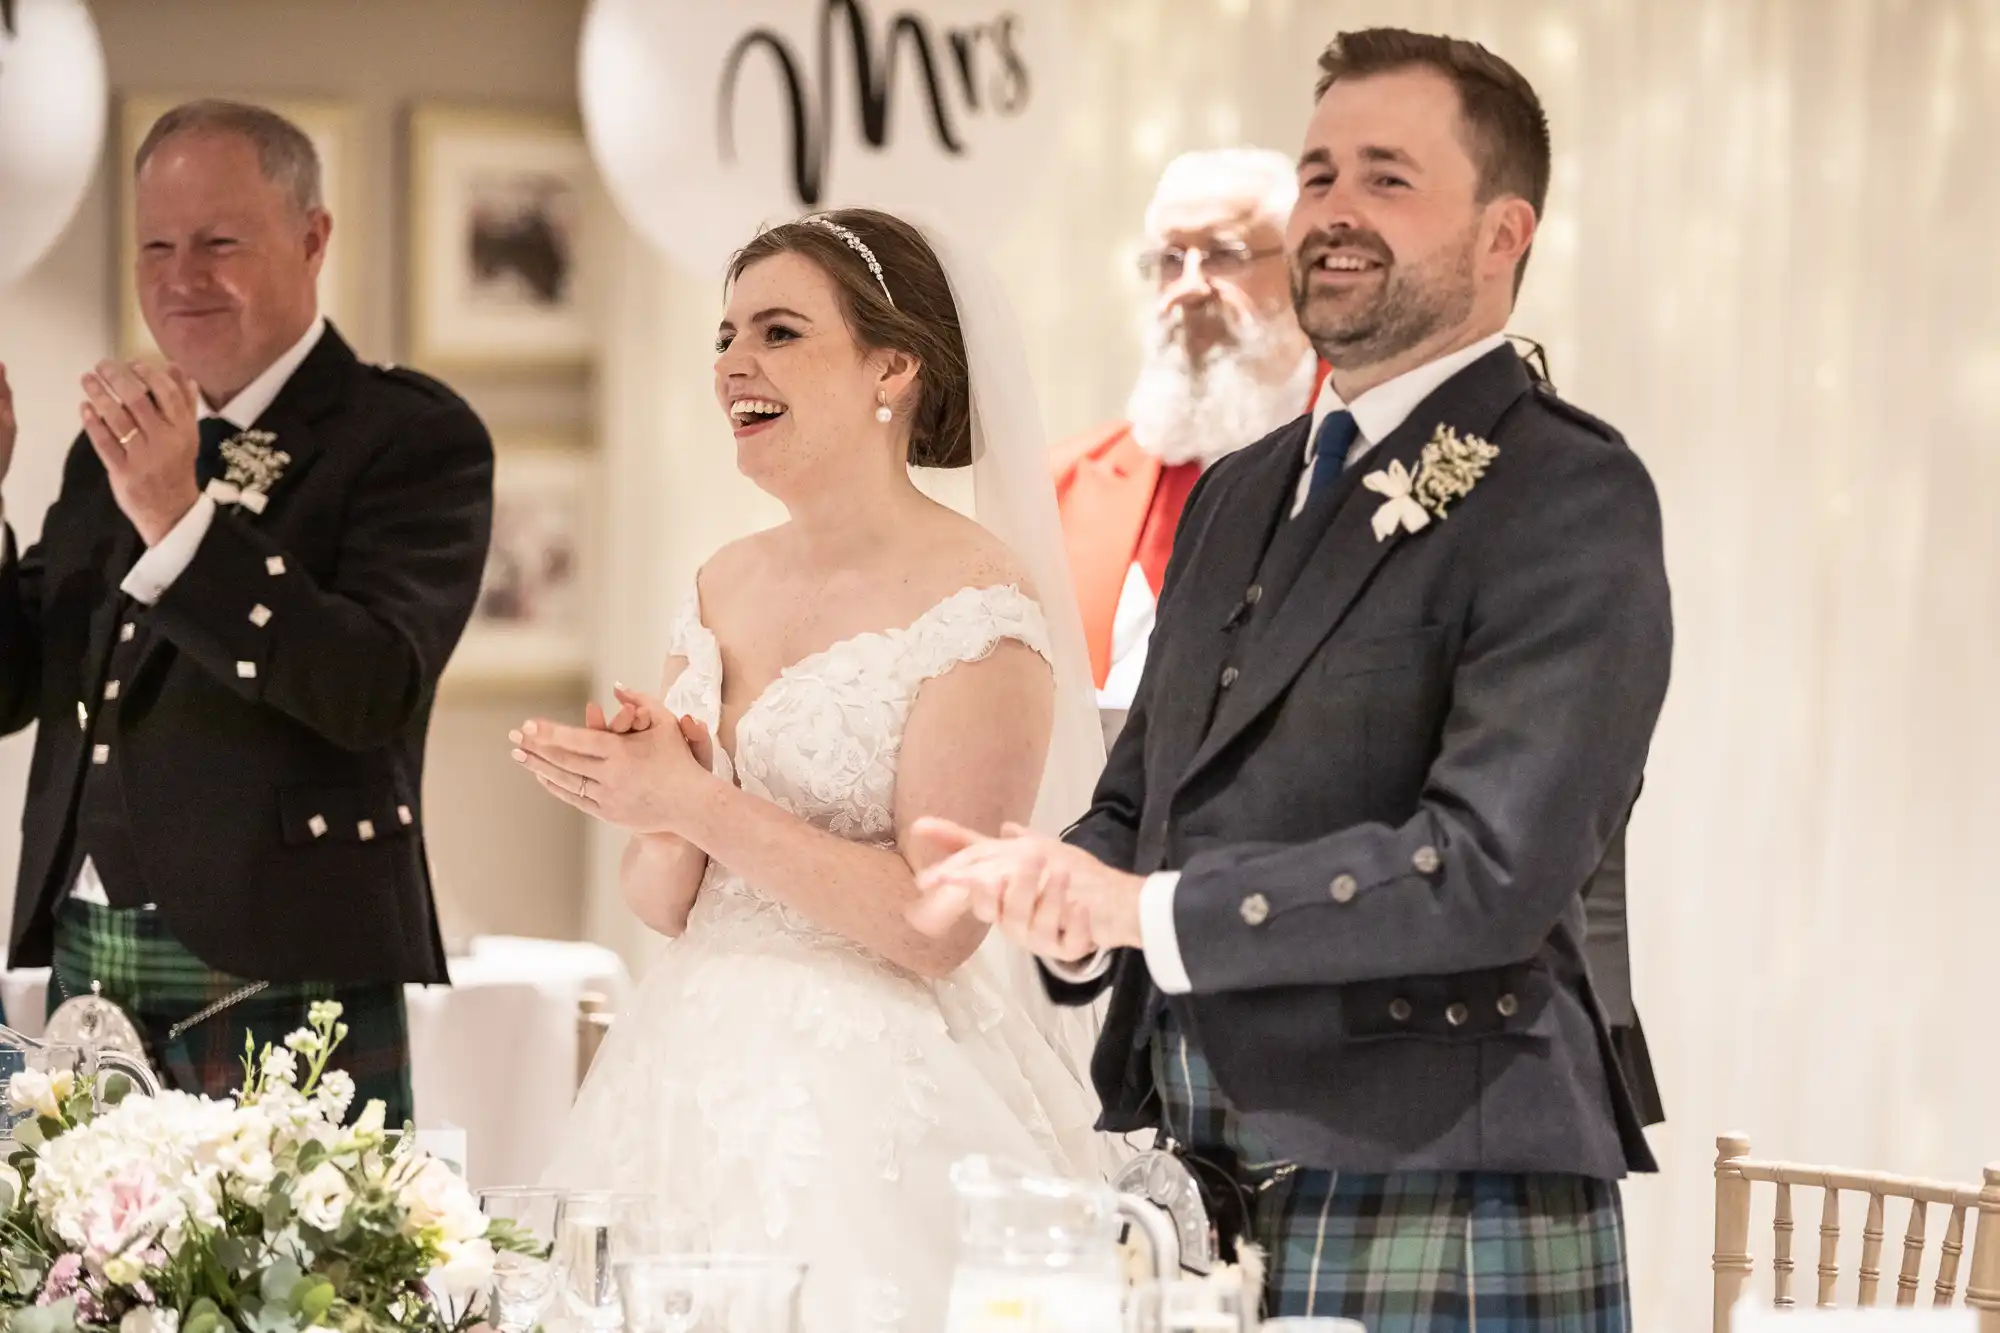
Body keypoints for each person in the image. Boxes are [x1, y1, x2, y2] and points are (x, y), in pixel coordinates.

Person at [912, 28, 1670, 1330]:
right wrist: (1053, 886)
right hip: (1198, 1161)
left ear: (1504, 233)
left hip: (1447, 1168)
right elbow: (1145, 796)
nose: (1334, 212)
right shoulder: (1236, 492)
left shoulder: (1569, 493)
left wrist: (1145, 912)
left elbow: (1488, 872)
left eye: (1388, 176)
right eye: (1318, 175)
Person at [518, 209, 1109, 1333]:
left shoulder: (978, 605)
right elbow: (664, 902)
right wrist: (642, 797)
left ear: (894, 366)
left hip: (869, 1094)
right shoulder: (719, 580)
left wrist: (694, 797)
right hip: (679, 1067)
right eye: (725, 335)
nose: (733, 362)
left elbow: (934, 924)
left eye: (779, 333)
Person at [0, 100, 492, 1125]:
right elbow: (15, 681)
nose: (182, 277)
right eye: (157, 245)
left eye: (220, 241)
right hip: (89, 957)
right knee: (74, 1284)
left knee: (310, 1287)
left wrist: (182, 519)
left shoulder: (404, 436)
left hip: (289, 962)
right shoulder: (109, 447)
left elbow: (372, 687)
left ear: (312, 239)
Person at [1054, 149, 1317, 711]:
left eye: (1225, 255)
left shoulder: (1373, 453)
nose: (1190, 287)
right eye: (1172, 259)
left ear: (1303, 271)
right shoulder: (1065, 485)